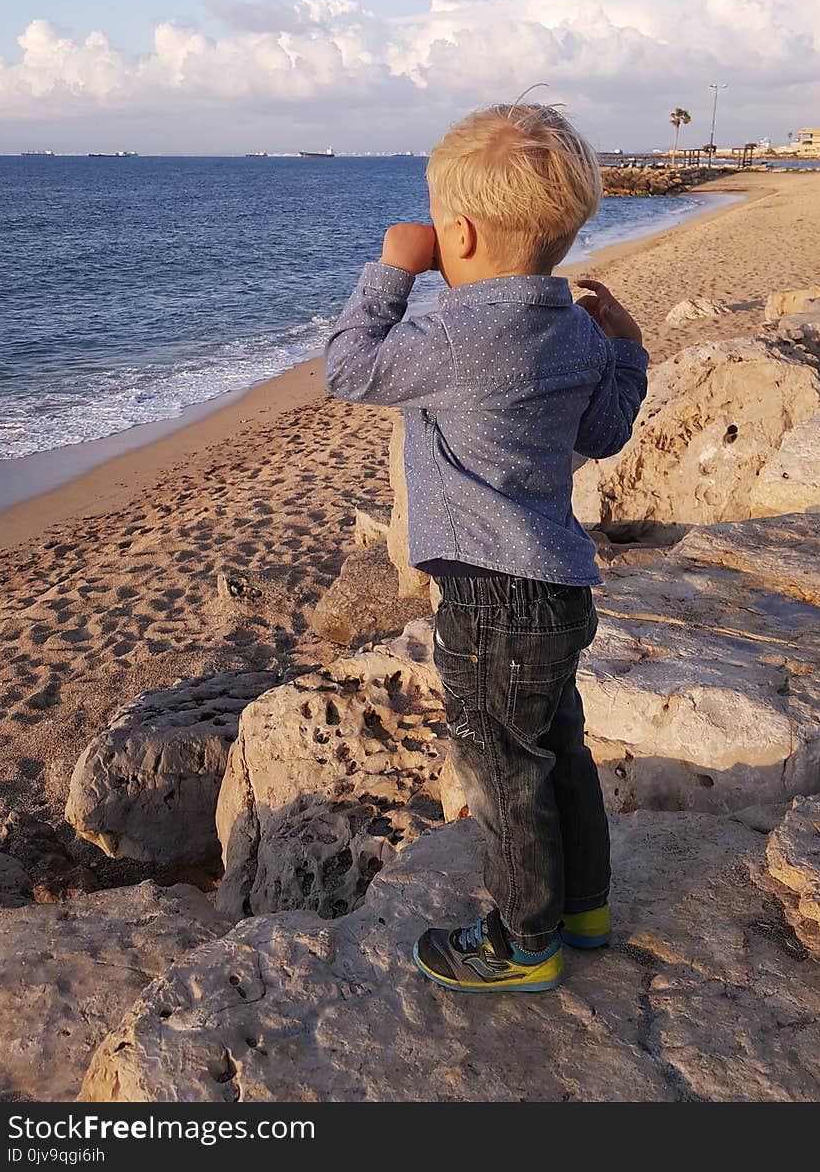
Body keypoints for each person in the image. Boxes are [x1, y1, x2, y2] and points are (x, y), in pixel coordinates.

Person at [324, 103, 649, 993]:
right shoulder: (579, 334)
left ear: (454, 232)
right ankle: (584, 907)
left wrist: (391, 272)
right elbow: (609, 431)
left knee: (501, 765)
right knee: (558, 749)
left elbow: (348, 368)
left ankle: (523, 941)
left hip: (488, 599)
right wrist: (630, 349)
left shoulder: (448, 334)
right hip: (556, 588)